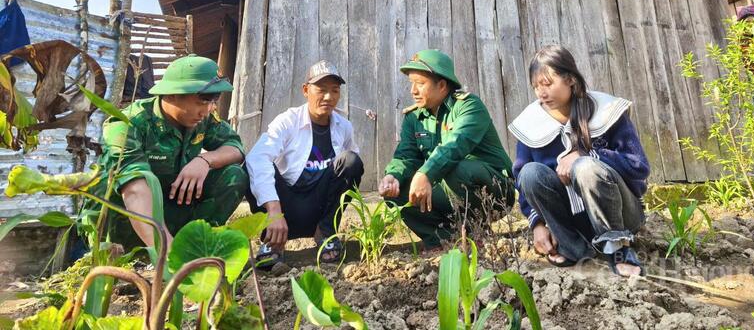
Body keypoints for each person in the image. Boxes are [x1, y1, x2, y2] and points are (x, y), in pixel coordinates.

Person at [81, 55, 248, 249]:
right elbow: (134, 189)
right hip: (127, 217)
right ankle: (139, 252)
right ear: (171, 95)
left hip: (170, 206)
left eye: (213, 101)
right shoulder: (127, 124)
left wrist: (205, 160)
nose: (208, 110)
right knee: (107, 185)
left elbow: (235, 147)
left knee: (234, 175)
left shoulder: (203, 119)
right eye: (203, 101)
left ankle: (195, 247)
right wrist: (166, 251)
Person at [511, 45, 650, 276]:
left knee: (585, 167)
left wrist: (588, 155)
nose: (541, 93)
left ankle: (617, 249)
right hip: (574, 221)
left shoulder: (606, 110)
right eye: (536, 86)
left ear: (571, 80)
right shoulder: (530, 124)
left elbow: (639, 166)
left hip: (622, 214)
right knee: (529, 173)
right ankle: (572, 246)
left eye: (548, 84)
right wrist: (537, 224)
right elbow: (522, 183)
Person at [378, 49, 515, 251]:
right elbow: (406, 155)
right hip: (448, 187)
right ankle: (446, 240)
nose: (413, 91)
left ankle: (477, 230)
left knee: (457, 168)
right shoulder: (413, 118)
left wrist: (425, 173)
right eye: (411, 84)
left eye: (420, 84)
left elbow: (456, 145)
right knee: (395, 191)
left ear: (442, 85)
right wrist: (393, 176)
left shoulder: (469, 106)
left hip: (495, 190)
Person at [246, 61, 363, 267]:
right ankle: (272, 241)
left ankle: (326, 232)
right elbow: (257, 157)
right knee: (249, 167)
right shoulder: (288, 121)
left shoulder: (343, 126)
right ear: (306, 90)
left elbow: (350, 169)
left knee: (352, 161)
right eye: (321, 90)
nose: (328, 97)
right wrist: (274, 210)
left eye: (335, 91)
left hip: (318, 206)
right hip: (285, 206)